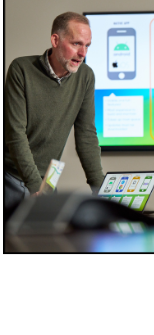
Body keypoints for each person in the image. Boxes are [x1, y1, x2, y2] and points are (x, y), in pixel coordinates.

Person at [4, 12, 104, 197]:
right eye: (76, 44)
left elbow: (86, 136)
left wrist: (102, 192)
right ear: (55, 40)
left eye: (87, 46)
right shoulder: (21, 70)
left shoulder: (85, 76)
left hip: (48, 180)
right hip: (11, 177)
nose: (82, 53)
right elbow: (15, 133)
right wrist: (35, 185)